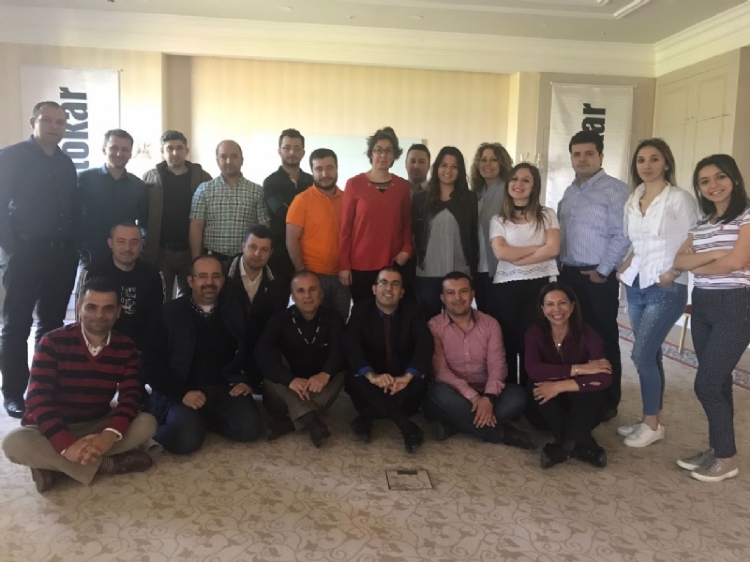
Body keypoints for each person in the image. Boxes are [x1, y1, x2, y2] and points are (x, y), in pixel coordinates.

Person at [2, 277, 157, 493]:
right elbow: (37, 398)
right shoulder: (52, 341)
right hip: (53, 424)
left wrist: (108, 435)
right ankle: (104, 465)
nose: (99, 315)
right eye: (91, 307)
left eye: (108, 308)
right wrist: (66, 444)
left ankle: (56, 467)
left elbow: (130, 395)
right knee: (14, 443)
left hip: (96, 421)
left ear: (118, 312)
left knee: (147, 423)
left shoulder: (126, 347)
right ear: (79, 308)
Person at [616, 139, 698, 448]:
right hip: (636, 284)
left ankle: (651, 424)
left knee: (640, 354)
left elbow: (695, 236)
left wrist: (674, 271)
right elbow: (636, 242)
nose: (647, 165)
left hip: (666, 286)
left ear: (666, 163)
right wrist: (624, 266)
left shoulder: (678, 198)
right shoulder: (633, 199)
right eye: (641, 160)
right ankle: (652, 419)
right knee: (650, 353)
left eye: (654, 159)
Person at [0, 101, 80, 418]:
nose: (54, 126)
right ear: (33, 121)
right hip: (25, 252)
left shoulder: (66, 162)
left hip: (61, 255)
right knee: (16, 324)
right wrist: (11, 250)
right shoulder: (10, 156)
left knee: (52, 326)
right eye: (47, 120)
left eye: (60, 122)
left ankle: (43, 389)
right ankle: (13, 393)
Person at [673, 154, 750, 483]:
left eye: (720, 177)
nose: (713, 185)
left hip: (736, 303)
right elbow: (678, 260)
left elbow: (737, 262)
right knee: (719, 382)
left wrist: (702, 264)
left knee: (705, 384)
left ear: (734, 178)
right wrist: (718, 254)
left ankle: (726, 459)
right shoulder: (701, 223)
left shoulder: (746, 215)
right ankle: (719, 448)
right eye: (704, 181)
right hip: (702, 303)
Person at [142, 255, 262, 455]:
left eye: (215, 276)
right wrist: (181, 393)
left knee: (249, 429)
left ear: (222, 281)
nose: (209, 282)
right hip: (182, 389)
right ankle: (180, 422)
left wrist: (249, 381)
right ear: (190, 281)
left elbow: (254, 348)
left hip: (224, 387)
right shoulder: (168, 313)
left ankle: (199, 420)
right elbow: (151, 364)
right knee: (186, 442)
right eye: (202, 276)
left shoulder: (235, 311)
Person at [557, 130, 630, 421]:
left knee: (603, 337)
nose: (582, 159)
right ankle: (582, 393)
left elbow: (622, 235)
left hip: (596, 276)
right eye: (576, 154)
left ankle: (608, 400)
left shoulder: (615, 190)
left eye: (589, 153)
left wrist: (603, 271)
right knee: (574, 337)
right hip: (568, 275)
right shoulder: (569, 191)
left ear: (601, 156)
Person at [422, 272, 534, 449]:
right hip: (453, 392)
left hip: (486, 390)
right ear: (442, 298)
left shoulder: (490, 324)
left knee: (518, 396)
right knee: (439, 394)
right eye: (451, 293)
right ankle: (502, 433)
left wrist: (488, 398)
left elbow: (497, 365)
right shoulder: (434, 326)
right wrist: (473, 397)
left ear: (472, 294)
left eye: (463, 291)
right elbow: (440, 371)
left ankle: (456, 424)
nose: (458, 298)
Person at [344, 267, 433, 453]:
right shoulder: (361, 310)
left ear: (402, 292)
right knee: (354, 373)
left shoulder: (413, 310)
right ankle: (405, 426)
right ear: (374, 288)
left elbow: (425, 345)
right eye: (383, 283)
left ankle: (366, 417)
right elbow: (351, 345)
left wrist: (406, 377)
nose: (388, 289)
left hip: (402, 384)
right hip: (371, 382)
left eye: (395, 284)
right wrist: (372, 376)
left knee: (422, 374)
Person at [525, 283, 612, 469]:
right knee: (538, 385)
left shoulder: (588, 333)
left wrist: (560, 385)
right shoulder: (534, 333)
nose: (556, 309)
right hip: (545, 411)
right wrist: (580, 369)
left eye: (562, 303)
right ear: (542, 308)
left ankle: (564, 447)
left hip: (581, 408)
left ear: (572, 306)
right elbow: (534, 370)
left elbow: (604, 377)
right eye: (550, 304)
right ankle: (585, 445)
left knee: (592, 390)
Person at [489, 163, 560, 387]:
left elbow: (553, 249)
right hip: (507, 287)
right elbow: (501, 252)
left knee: (536, 343)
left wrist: (518, 259)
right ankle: (511, 395)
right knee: (509, 343)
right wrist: (538, 249)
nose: (519, 184)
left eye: (526, 180)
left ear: (534, 186)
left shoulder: (547, 214)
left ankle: (534, 395)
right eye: (514, 179)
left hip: (540, 286)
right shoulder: (498, 219)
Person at [256, 271, 344, 448]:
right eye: (301, 291)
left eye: (313, 289)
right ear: (293, 295)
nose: (307, 296)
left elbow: (340, 350)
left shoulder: (334, 319)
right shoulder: (278, 320)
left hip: (316, 391)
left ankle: (293, 423)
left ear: (321, 293)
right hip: (282, 394)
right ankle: (311, 419)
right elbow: (261, 355)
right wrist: (290, 380)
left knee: (340, 372)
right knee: (272, 367)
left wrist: (325, 374)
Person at [339, 127, 413, 304]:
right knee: (363, 311)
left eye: (388, 151)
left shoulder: (402, 186)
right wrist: (344, 265)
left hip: (392, 263)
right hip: (361, 264)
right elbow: (345, 229)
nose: (383, 155)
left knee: (391, 311)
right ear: (371, 153)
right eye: (378, 150)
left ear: (394, 155)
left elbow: (406, 224)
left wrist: (407, 249)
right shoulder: (354, 184)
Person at [76, 222, 166, 351]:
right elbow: (81, 318)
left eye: (134, 242)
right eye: (121, 242)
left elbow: (157, 322)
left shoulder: (154, 276)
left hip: (139, 350)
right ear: (110, 243)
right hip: (99, 348)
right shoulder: (92, 273)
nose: (128, 248)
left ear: (142, 244)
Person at [142, 130, 212, 298]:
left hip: (191, 252)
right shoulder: (150, 178)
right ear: (162, 151)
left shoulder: (203, 178)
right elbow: (142, 213)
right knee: (159, 296)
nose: (175, 153)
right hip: (160, 252)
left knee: (190, 297)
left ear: (186, 150)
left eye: (179, 148)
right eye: (170, 148)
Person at [412, 147, 478, 320]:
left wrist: (473, 270)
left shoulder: (470, 199)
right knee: (428, 322)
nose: (448, 170)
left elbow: (473, 237)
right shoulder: (420, 199)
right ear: (436, 167)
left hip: (460, 272)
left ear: (460, 171)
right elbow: (414, 235)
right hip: (427, 273)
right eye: (444, 165)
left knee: (458, 321)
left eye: (454, 166)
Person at [286, 148, 351, 321]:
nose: (325, 174)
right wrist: (303, 274)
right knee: (313, 325)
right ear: (312, 171)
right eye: (319, 169)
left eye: (329, 168)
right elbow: (291, 240)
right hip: (313, 277)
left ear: (337, 168)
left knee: (340, 325)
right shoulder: (301, 201)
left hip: (342, 277)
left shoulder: (348, 200)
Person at [76, 129, 149, 264]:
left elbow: (144, 223)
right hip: (91, 256)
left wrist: (139, 247)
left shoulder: (138, 186)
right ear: (104, 149)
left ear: (130, 153)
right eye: (114, 148)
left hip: (125, 257)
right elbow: (73, 215)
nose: (119, 153)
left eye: (125, 149)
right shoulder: (84, 179)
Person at [189, 140, 269, 262]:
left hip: (245, 260)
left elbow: (264, 227)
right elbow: (196, 227)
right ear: (217, 161)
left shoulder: (257, 191)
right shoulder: (204, 190)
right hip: (212, 258)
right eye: (223, 157)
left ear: (242, 160)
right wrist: (196, 259)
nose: (229, 161)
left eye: (234, 156)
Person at [263, 129, 314, 299]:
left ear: (303, 152)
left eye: (297, 148)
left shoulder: (311, 181)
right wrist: (309, 218)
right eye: (287, 148)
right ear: (279, 151)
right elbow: (282, 214)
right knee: (279, 301)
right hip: (280, 254)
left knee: (309, 300)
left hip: (309, 252)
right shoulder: (271, 182)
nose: (292, 152)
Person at [470, 142, 513, 313]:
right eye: (483, 159)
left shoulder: (507, 190)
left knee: (500, 316)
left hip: (500, 267)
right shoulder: (477, 192)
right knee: (484, 317)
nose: (487, 164)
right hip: (480, 268)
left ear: (502, 164)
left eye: (493, 160)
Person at [224, 225, 287, 334]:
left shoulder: (277, 284)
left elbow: (275, 325)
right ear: (243, 246)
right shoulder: (221, 274)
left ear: (270, 253)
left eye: (264, 249)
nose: (257, 254)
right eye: (253, 247)